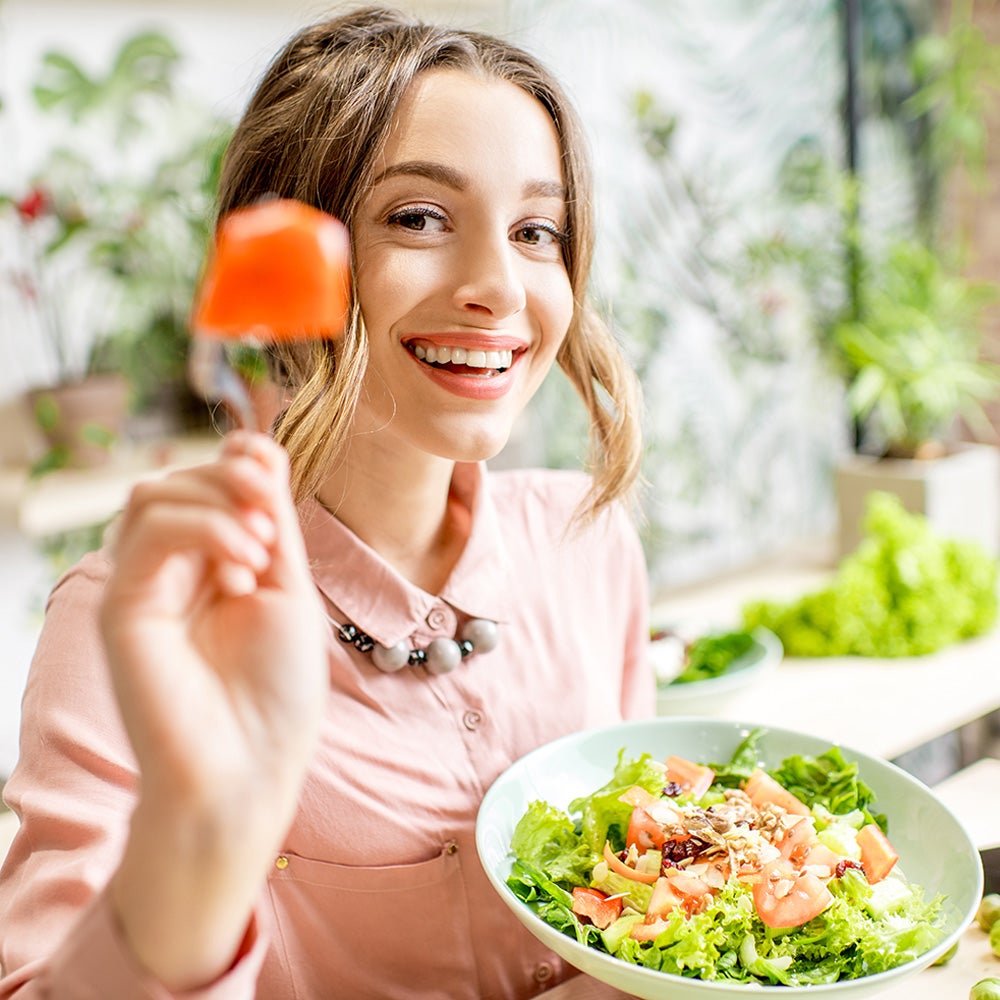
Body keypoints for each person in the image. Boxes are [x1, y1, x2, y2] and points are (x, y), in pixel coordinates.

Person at [0, 6, 653, 997]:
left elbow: (646, 916)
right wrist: (195, 840)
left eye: (536, 231)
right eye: (418, 218)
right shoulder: (134, 621)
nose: (497, 286)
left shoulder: (587, 542)